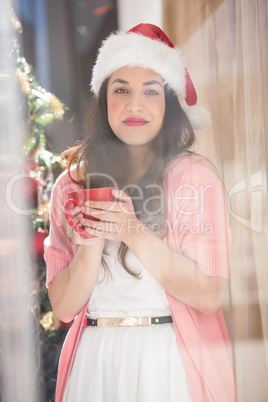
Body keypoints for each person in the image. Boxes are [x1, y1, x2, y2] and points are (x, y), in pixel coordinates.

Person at [44, 23, 238, 402]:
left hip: (168, 360)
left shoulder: (193, 178)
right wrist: (92, 238)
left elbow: (210, 295)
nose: (135, 105)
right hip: (95, 361)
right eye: (121, 90)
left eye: (151, 91)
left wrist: (132, 230)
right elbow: (65, 308)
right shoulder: (71, 186)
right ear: (104, 101)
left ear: (169, 104)